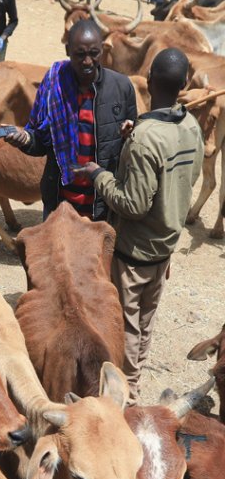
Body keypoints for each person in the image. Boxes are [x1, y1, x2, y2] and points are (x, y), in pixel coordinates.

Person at [77, 48, 202, 401]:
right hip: (165, 246)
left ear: (147, 78)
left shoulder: (145, 139)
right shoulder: (190, 125)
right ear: (185, 84)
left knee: (128, 327)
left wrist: (99, 175)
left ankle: (128, 395)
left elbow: (132, 204)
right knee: (146, 321)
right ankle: (137, 377)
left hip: (135, 252)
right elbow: (187, 177)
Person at [3, 18, 137, 220]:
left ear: (102, 49)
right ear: (67, 51)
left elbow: (133, 144)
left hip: (102, 203)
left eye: (94, 54)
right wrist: (25, 139)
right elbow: (40, 140)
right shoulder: (53, 85)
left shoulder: (121, 87)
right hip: (60, 201)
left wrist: (130, 134)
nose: (87, 61)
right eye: (80, 54)